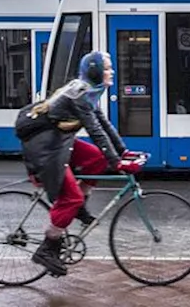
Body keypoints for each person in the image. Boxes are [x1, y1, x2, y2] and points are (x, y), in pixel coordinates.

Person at [14, 50, 146, 277]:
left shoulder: (89, 91)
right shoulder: (81, 95)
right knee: (70, 197)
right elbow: (94, 131)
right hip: (45, 147)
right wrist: (118, 163)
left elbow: (104, 125)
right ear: (95, 71)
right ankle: (47, 249)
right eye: (106, 68)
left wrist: (124, 152)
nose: (111, 71)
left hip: (58, 141)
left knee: (97, 158)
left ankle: (78, 207)